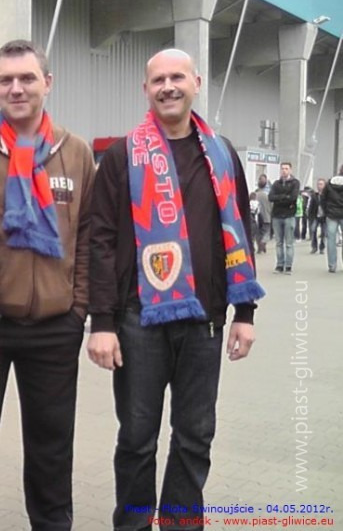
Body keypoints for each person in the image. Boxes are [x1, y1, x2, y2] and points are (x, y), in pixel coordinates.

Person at [87, 48, 264, 531]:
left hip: (205, 321)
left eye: (177, 77)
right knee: (137, 439)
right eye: (158, 79)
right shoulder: (123, 155)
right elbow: (100, 240)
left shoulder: (222, 154)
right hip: (137, 320)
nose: (168, 86)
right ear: (146, 89)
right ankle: (134, 523)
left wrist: (245, 312)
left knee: (194, 437)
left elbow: (239, 231)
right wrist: (101, 322)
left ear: (196, 83)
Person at [0, 40, 95, 531]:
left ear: (47, 83)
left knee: (52, 446)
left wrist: (78, 309)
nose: (17, 88)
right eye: (6, 80)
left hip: (55, 327)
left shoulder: (75, 152)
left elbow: (88, 237)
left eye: (27, 78)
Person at [269, 162, 299, 273]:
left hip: (289, 216)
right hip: (277, 215)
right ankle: (279, 265)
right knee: (279, 243)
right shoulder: (276, 184)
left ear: (290, 170)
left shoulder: (295, 183)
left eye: (286, 168)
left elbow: (293, 197)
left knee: (289, 243)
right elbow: (271, 197)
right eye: (282, 169)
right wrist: (284, 197)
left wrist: (279, 198)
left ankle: (288, 266)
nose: (284, 171)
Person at [324, 167, 343, 272]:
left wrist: (326, 210)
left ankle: (332, 265)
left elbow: (323, 197)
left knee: (331, 240)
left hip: (331, 214)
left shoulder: (330, 182)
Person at [253, 174, 271, 253]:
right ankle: (263, 242)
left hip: (257, 217)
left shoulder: (254, 194)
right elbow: (271, 206)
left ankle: (260, 247)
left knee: (258, 233)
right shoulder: (269, 194)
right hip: (267, 216)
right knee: (266, 232)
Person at [308, 178, 327, 254]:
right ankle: (314, 247)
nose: (319, 186)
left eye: (321, 184)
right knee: (313, 230)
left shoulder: (326, 196)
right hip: (315, 216)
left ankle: (322, 248)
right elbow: (311, 206)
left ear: (324, 185)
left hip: (324, 217)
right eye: (318, 184)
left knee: (323, 233)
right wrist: (310, 216)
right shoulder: (314, 195)